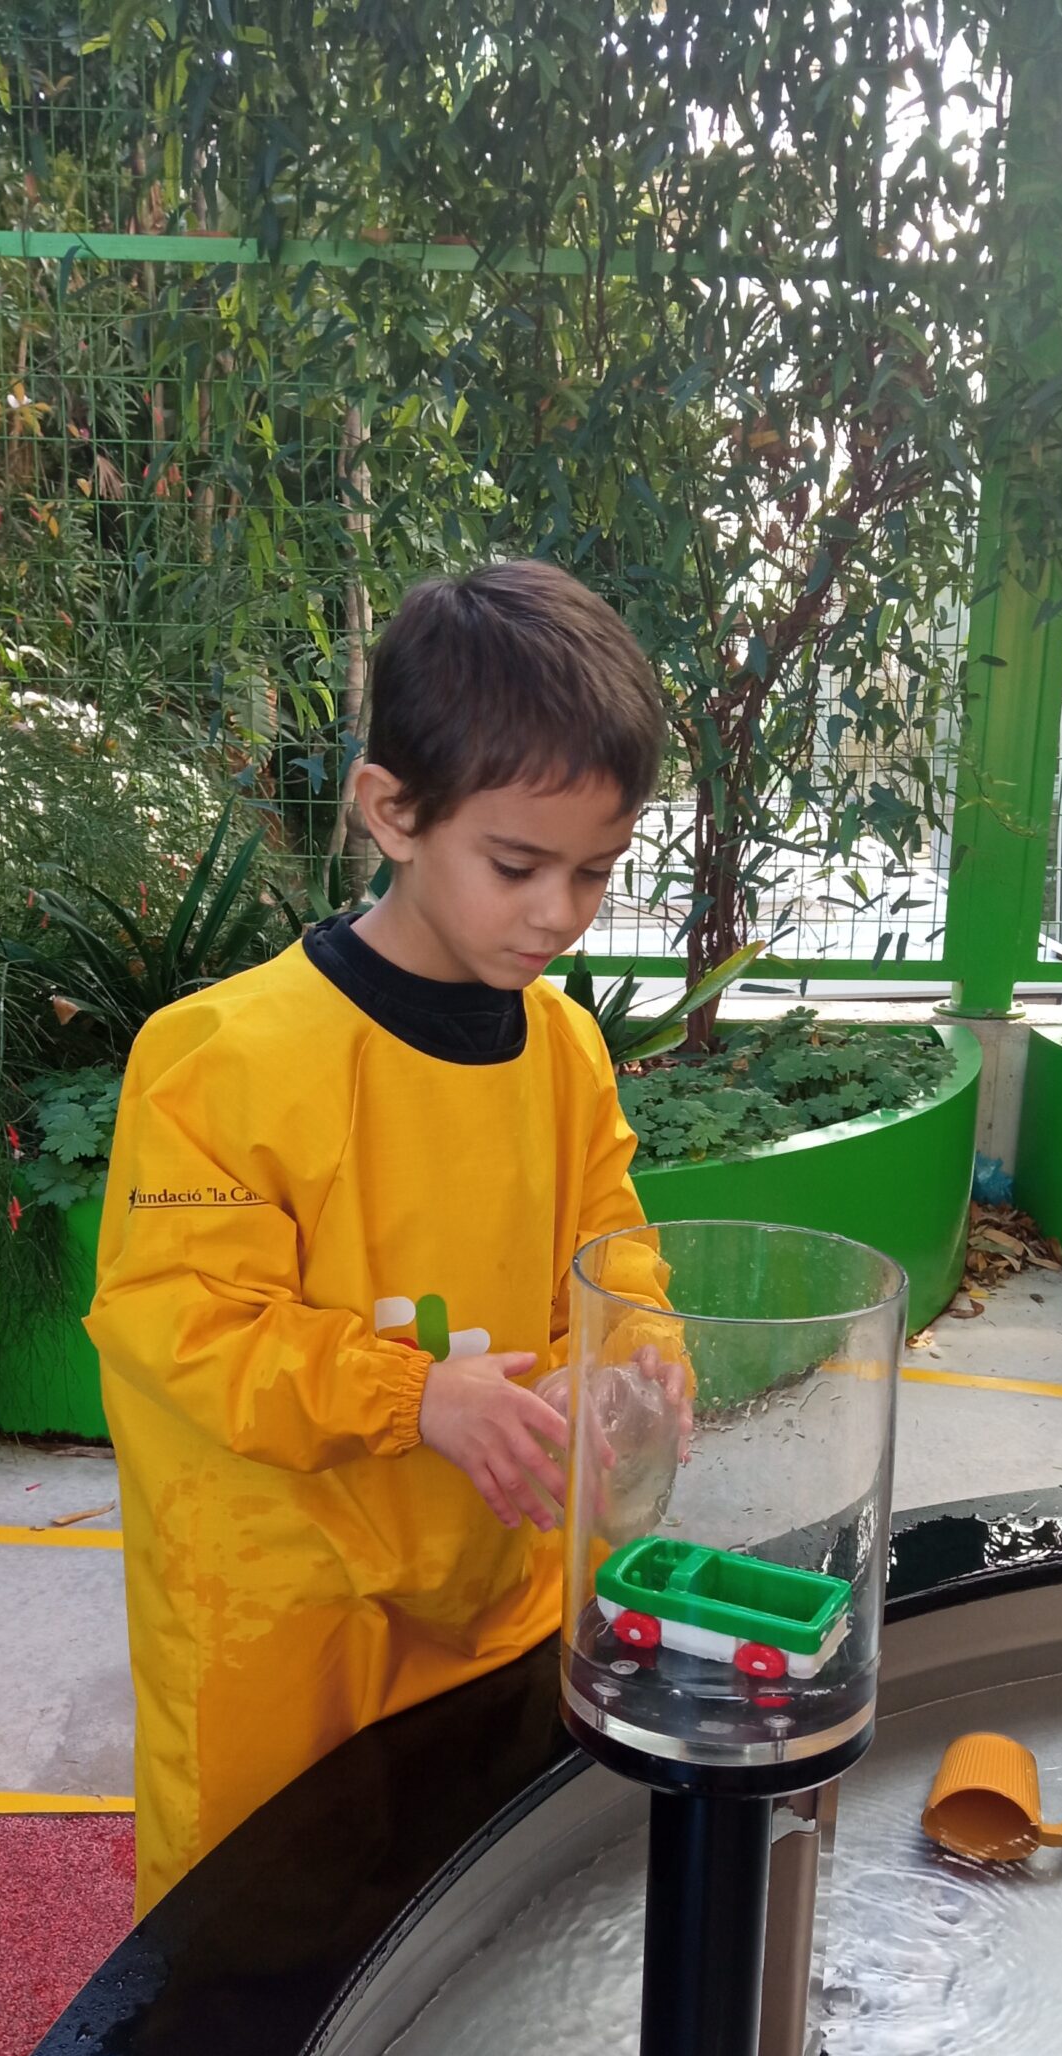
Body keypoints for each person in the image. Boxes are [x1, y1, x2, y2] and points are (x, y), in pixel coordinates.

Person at [85, 561, 682, 1913]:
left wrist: (639, 1353)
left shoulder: (565, 1050)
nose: (558, 913)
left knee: (466, 1919)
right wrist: (416, 1397)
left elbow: (612, 1244)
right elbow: (186, 1322)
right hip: (288, 1629)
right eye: (517, 866)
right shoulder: (222, 1059)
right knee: (266, 1942)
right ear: (392, 811)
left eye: (595, 872)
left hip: (498, 1587)